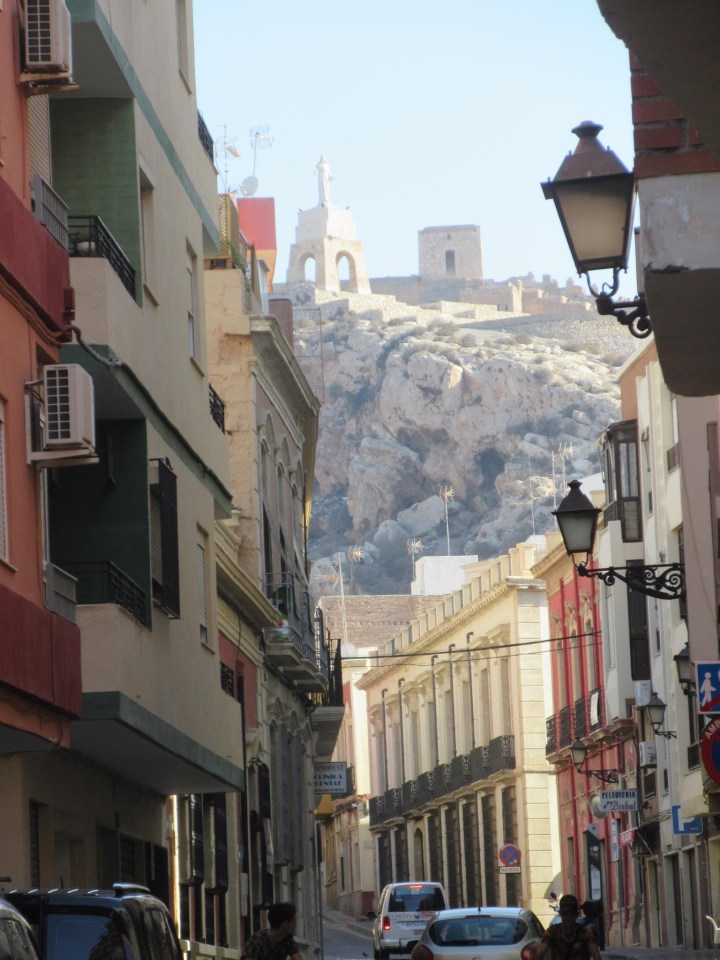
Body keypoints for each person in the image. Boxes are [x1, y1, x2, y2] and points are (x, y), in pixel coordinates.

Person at [535, 895, 601, 960]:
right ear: (560, 914)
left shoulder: (585, 933)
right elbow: (540, 952)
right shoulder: (552, 931)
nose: (568, 918)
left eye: (571, 914)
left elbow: (595, 954)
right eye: (565, 914)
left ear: (576, 914)